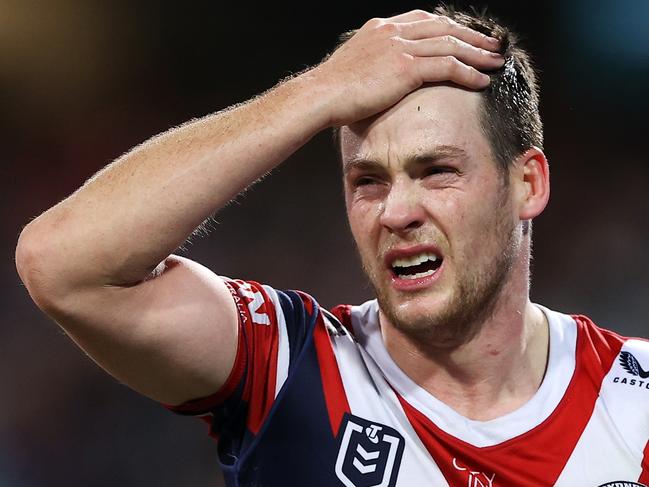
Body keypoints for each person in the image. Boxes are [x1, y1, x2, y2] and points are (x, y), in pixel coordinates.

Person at [15, 5, 649, 487]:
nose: (397, 212)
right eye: (367, 180)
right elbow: (61, 262)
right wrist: (316, 91)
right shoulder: (291, 365)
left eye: (437, 171)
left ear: (527, 184)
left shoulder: (636, 402)